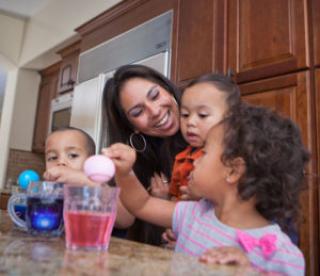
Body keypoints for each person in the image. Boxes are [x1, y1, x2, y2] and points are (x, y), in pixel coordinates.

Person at [103, 103, 309, 275]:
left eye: (205, 152)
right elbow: (142, 204)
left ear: (233, 171)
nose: (195, 160)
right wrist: (125, 173)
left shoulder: (280, 252)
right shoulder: (194, 214)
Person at [103, 64, 187, 245]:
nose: (155, 111)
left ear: (167, 88)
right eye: (138, 112)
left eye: (155, 95)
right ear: (131, 125)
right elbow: (133, 218)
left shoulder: (213, 134)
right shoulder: (133, 163)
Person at [43, 127, 134, 229]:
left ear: (91, 162)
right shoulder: (46, 194)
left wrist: (85, 181)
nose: (61, 162)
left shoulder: (98, 188)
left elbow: (127, 220)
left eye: (73, 155)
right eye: (52, 157)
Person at [169, 73, 241, 201]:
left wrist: (203, 197)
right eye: (185, 114)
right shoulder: (181, 158)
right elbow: (174, 198)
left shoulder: (232, 157)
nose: (190, 122)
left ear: (230, 118)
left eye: (202, 115)